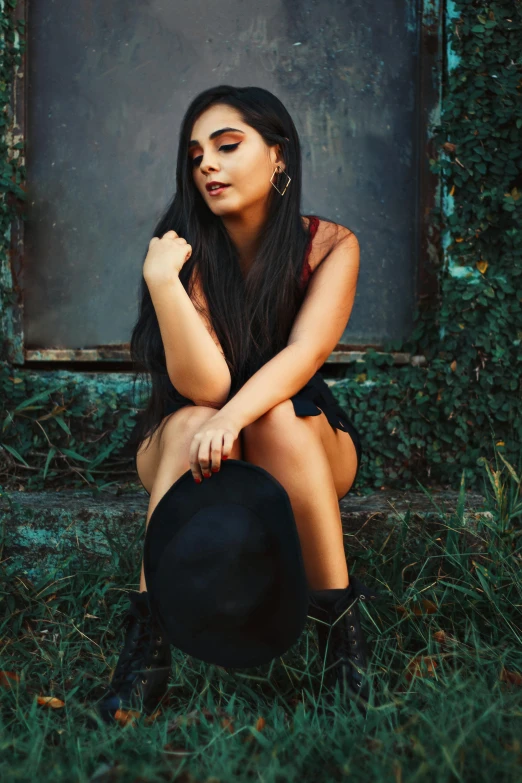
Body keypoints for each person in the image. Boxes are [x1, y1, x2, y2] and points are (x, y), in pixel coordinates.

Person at [97, 84, 375, 722]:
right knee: (194, 416)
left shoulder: (331, 245)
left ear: (279, 156)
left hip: (299, 439)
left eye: (227, 146)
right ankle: (146, 652)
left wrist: (235, 418)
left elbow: (302, 357)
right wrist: (163, 281)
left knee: (277, 414)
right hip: (190, 438)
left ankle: (342, 640)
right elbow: (205, 390)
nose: (207, 166)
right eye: (195, 156)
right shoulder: (184, 249)